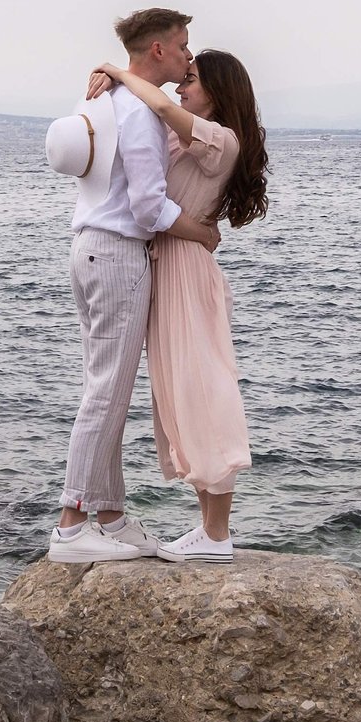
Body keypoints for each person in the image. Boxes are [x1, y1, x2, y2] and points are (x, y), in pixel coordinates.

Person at [47, 7, 215, 564]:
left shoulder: (100, 98)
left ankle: (111, 515)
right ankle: (72, 524)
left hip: (89, 248)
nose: (190, 55)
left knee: (107, 387)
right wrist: (198, 231)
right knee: (106, 392)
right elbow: (146, 208)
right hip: (118, 254)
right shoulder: (141, 113)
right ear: (159, 51)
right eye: (184, 45)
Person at [92, 47, 267, 562]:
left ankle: (217, 533)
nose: (179, 87)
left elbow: (164, 109)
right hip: (165, 264)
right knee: (177, 394)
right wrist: (110, 83)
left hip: (187, 270)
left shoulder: (221, 140)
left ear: (217, 91)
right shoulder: (186, 134)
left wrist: (119, 70)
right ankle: (209, 529)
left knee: (204, 389)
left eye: (190, 79)